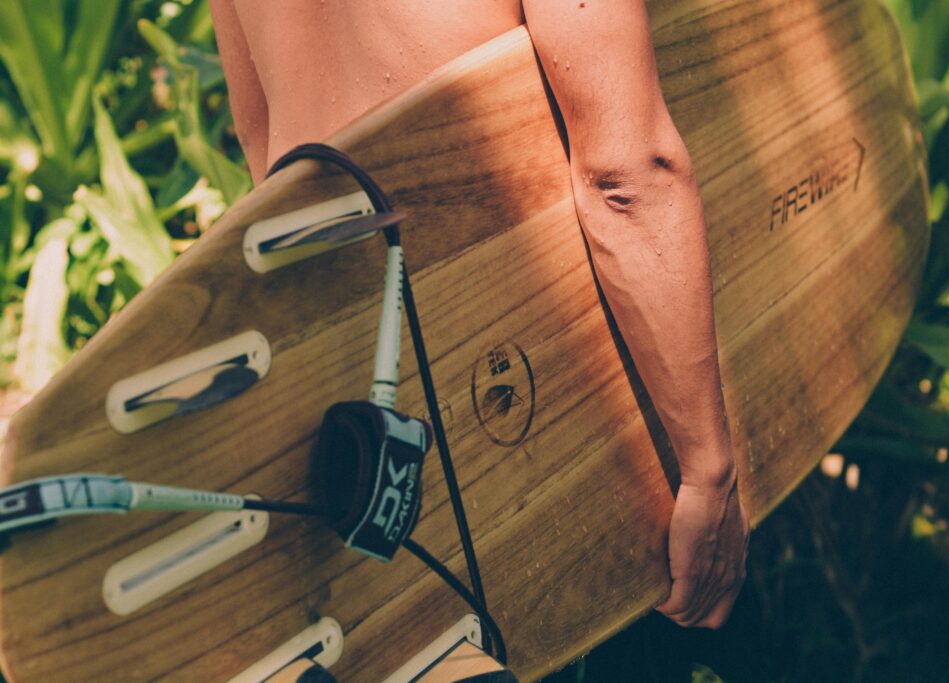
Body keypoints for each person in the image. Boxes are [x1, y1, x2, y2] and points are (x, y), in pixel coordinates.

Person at [210, 0, 748, 630]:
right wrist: (708, 472)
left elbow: (264, 147)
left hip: (353, 409)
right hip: (542, 408)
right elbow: (624, 175)